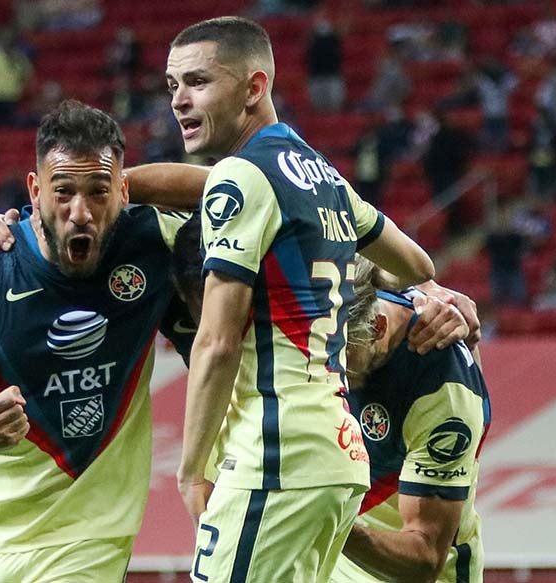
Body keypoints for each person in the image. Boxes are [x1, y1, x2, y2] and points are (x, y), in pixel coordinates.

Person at [165, 17, 434, 582]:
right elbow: (417, 264)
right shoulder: (323, 174)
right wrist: (428, 295)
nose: (181, 102)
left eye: (198, 83)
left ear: (255, 88)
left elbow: (216, 341)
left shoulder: (239, 176)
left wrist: (191, 471)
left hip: (276, 456)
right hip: (336, 452)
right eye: (173, 86)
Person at [0, 101, 196, 582]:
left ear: (123, 190)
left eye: (98, 192)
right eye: (63, 192)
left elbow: (243, 191)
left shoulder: (156, 242)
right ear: (34, 189)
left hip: (86, 537)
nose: (80, 213)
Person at [334, 258, 490, 583]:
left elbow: (425, 557)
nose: (330, 370)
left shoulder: (442, 385)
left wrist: (319, 522)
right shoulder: (328, 324)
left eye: (342, 355)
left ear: (376, 327)